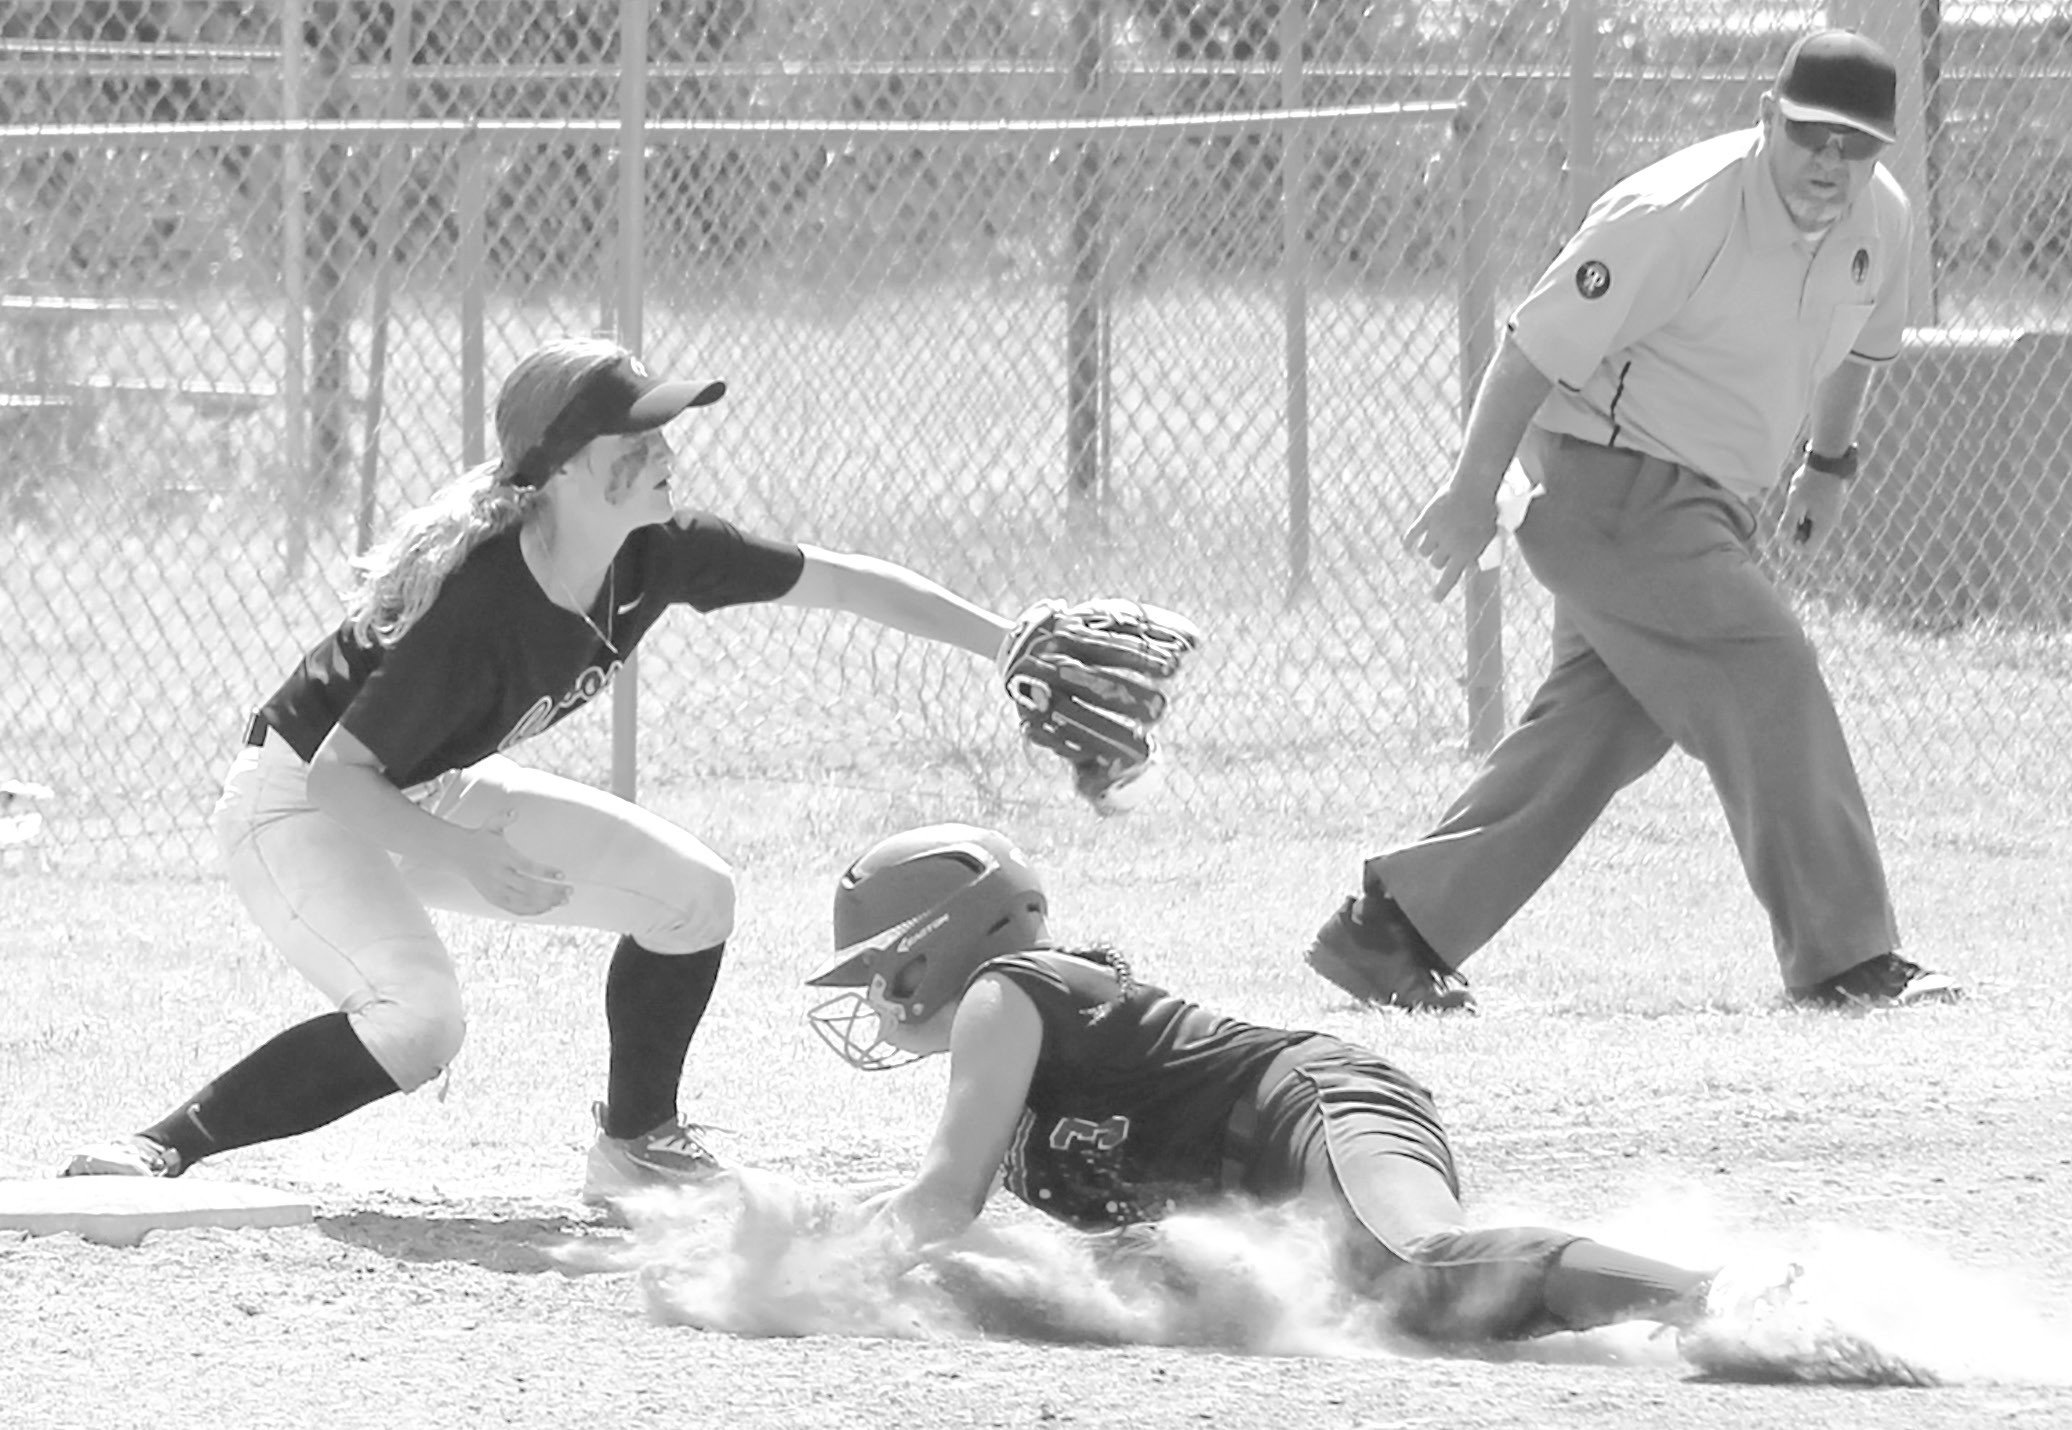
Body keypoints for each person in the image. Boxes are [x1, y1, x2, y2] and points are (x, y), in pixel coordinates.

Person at [57, 335, 1137, 1205]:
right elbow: (342, 777)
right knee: (420, 1018)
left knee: (692, 895)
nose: (668, 444)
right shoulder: (482, 599)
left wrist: (1002, 642)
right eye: (641, 431)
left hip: (421, 785)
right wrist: (465, 853)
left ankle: (634, 1142)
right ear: (570, 463)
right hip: (298, 801)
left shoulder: (655, 550)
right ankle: (161, 1144)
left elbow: (845, 581)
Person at [1306, 29, 1965, 1014]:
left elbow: (1856, 353)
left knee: (1597, 727)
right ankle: (1844, 956)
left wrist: (1829, 465)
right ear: (1764, 118)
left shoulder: (1880, 218)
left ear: (1880, 150)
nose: (1829, 161)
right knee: (1766, 663)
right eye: (1809, 135)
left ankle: (1392, 928)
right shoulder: (1675, 212)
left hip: (1703, 506)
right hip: (1604, 490)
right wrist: (1467, 485)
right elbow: (1530, 345)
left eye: (1854, 144)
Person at [802, 821, 1728, 1349]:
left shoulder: (1004, 993)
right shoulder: (1010, 1048)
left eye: (879, 968)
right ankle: (1663, 1294)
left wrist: (810, 1291)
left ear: (936, 942)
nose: (876, 999)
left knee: (1413, 1259)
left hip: (1318, 1105)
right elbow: (908, 1203)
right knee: (1398, 1308)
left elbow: (939, 1201)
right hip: (1292, 1155)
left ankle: (1724, 1301)